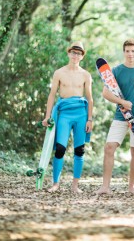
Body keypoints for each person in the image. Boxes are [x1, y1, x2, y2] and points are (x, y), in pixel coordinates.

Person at [96, 38, 134, 194]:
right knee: (109, 148)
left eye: (133, 51)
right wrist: (121, 102)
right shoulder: (117, 70)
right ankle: (105, 187)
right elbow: (105, 93)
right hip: (120, 115)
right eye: (127, 51)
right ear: (124, 52)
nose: (130, 54)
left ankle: (131, 187)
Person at [42, 41, 93, 193]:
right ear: (68, 53)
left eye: (79, 53)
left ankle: (75, 185)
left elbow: (90, 98)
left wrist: (90, 119)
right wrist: (47, 116)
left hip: (81, 114)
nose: (75, 55)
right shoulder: (59, 72)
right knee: (59, 149)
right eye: (73, 52)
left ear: (82, 56)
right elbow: (52, 95)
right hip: (64, 113)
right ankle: (55, 183)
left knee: (79, 150)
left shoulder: (86, 75)